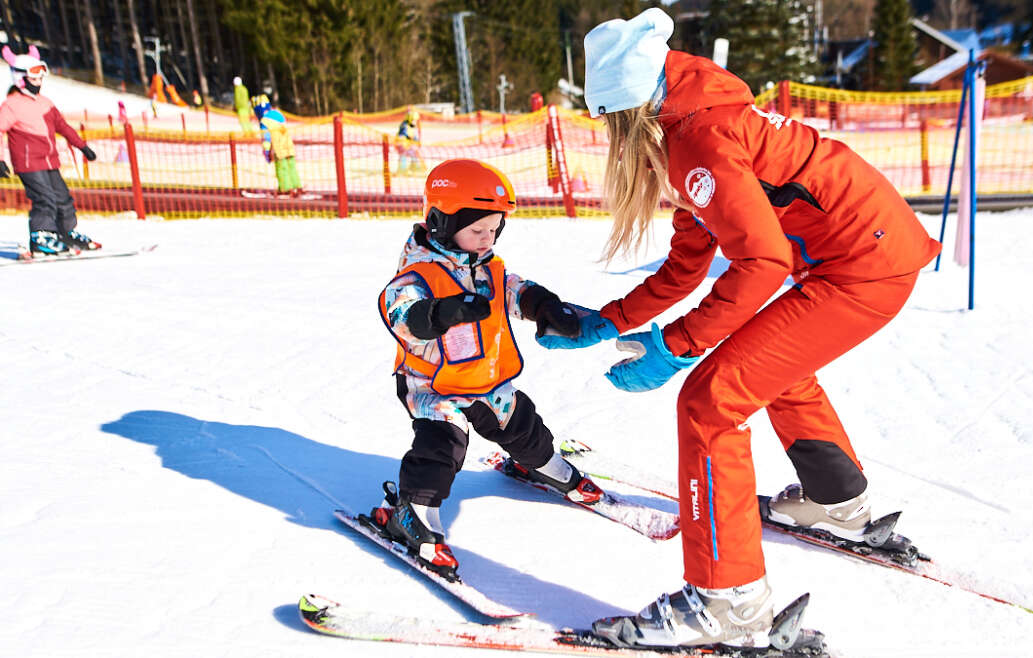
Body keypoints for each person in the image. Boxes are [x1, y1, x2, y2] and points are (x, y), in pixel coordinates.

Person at [540, 9, 941, 651]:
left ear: (629, 112)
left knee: (709, 401)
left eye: (610, 124)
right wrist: (607, 322)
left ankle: (726, 602)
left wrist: (675, 346)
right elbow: (688, 260)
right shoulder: (691, 120)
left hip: (863, 267)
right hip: (865, 256)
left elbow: (762, 261)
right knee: (774, 366)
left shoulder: (701, 138)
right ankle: (836, 502)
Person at [371, 158, 604, 579]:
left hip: (486, 381)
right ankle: (413, 513)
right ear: (442, 222)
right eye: (477, 229)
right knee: (442, 447)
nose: (487, 239)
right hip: (433, 387)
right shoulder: (417, 274)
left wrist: (545, 308)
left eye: (494, 229)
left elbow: (516, 290)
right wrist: (444, 313)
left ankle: (541, 463)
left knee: (522, 425)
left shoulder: (488, 268)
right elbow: (400, 313)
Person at [0, 45, 100, 258]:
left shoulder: (45, 103)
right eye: (34, 80)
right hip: (28, 163)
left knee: (62, 198)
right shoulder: (11, 105)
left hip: (49, 161)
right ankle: (40, 237)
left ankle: (65, 233)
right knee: (44, 198)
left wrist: (82, 146)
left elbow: (62, 126)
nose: (38, 84)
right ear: (20, 79)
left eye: (40, 80)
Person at [251, 94, 303, 198]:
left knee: (281, 168)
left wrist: (266, 151)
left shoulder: (264, 121)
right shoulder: (278, 114)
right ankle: (297, 185)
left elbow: (266, 138)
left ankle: (285, 188)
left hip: (278, 147)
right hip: (288, 144)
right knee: (291, 166)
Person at [395, 108, 424, 174]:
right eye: (414, 120)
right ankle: (402, 169)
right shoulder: (404, 125)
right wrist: (410, 138)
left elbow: (412, 135)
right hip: (402, 144)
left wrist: (416, 140)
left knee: (414, 154)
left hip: (407, 145)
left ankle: (414, 167)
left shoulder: (410, 126)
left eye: (416, 121)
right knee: (403, 155)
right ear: (410, 119)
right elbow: (404, 134)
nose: (415, 122)